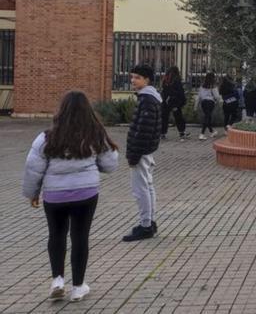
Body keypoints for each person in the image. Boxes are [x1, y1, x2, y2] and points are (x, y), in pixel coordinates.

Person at [22, 91, 119, 302]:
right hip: (86, 194)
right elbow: (110, 164)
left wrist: (32, 193)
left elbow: (33, 167)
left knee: (56, 235)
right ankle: (77, 287)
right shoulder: (95, 134)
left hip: (54, 196)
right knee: (80, 237)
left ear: (61, 110)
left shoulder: (47, 137)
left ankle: (57, 280)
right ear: (88, 112)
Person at [123, 63, 163, 242]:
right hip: (146, 151)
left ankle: (146, 225)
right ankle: (149, 221)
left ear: (147, 80)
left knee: (141, 190)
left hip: (141, 152)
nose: (133, 80)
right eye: (132, 77)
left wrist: (133, 155)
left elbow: (142, 131)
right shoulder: (149, 98)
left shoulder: (147, 100)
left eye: (137, 77)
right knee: (147, 186)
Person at [159, 66, 189, 141]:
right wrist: (182, 101)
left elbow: (163, 91)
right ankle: (181, 132)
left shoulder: (165, 80)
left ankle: (162, 133)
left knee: (164, 118)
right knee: (178, 118)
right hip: (175, 102)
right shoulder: (176, 80)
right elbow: (180, 92)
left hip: (165, 102)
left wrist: (164, 99)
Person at [197, 73, 221, 140]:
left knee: (208, 116)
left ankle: (211, 131)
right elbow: (217, 96)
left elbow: (199, 96)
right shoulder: (213, 86)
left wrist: (196, 105)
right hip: (210, 103)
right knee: (207, 117)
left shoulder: (202, 85)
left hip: (203, 102)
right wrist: (218, 101)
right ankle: (202, 134)